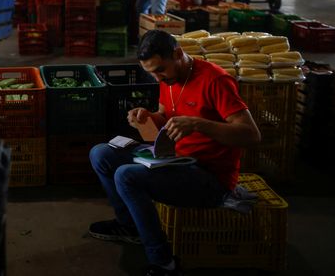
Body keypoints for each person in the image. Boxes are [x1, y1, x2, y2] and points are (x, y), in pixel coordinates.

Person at [89, 30, 261, 276]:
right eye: (151, 72)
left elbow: (251, 135)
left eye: (160, 70)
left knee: (127, 176)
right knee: (101, 153)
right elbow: (166, 118)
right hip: (175, 160)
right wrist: (147, 117)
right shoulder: (168, 80)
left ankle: (164, 263)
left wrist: (199, 124)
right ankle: (130, 227)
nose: (157, 77)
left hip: (208, 177)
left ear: (178, 54)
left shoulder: (215, 80)